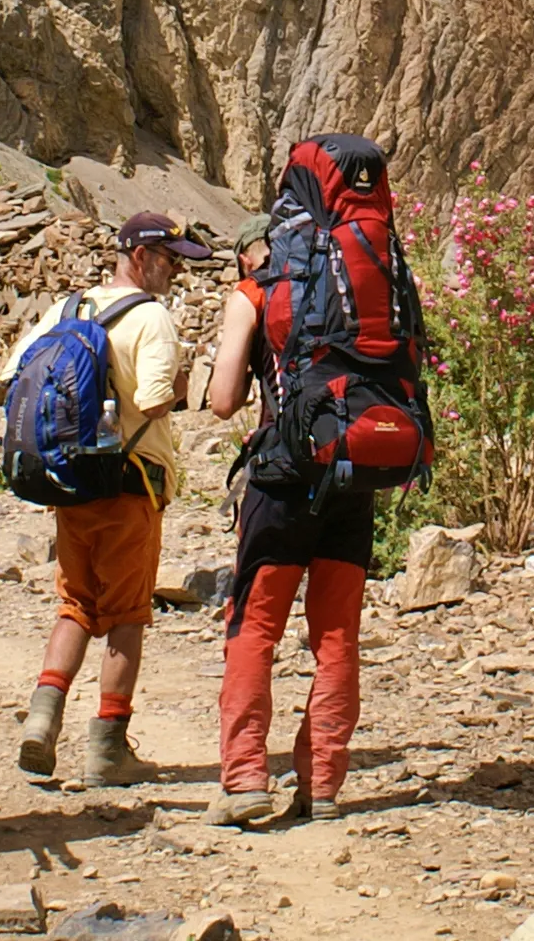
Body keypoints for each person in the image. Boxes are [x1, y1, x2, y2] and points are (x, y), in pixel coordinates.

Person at [2, 211, 200, 785]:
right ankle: (108, 748)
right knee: (127, 614)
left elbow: (12, 373)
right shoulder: (150, 316)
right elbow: (158, 399)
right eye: (168, 261)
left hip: (70, 483)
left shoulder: (67, 309)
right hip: (131, 481)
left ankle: (42, 721)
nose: (173, 274)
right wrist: (183, 386)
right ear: (139, 257)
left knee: (76, 603)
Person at [204, 232, 372, 827]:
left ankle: (246, 776)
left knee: (255, 626)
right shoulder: (359, 290)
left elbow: (224, 400)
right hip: (352, 480)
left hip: (280, 482)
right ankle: (322, 784)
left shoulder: (252, 293)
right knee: (336, 635)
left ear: (259, 250)